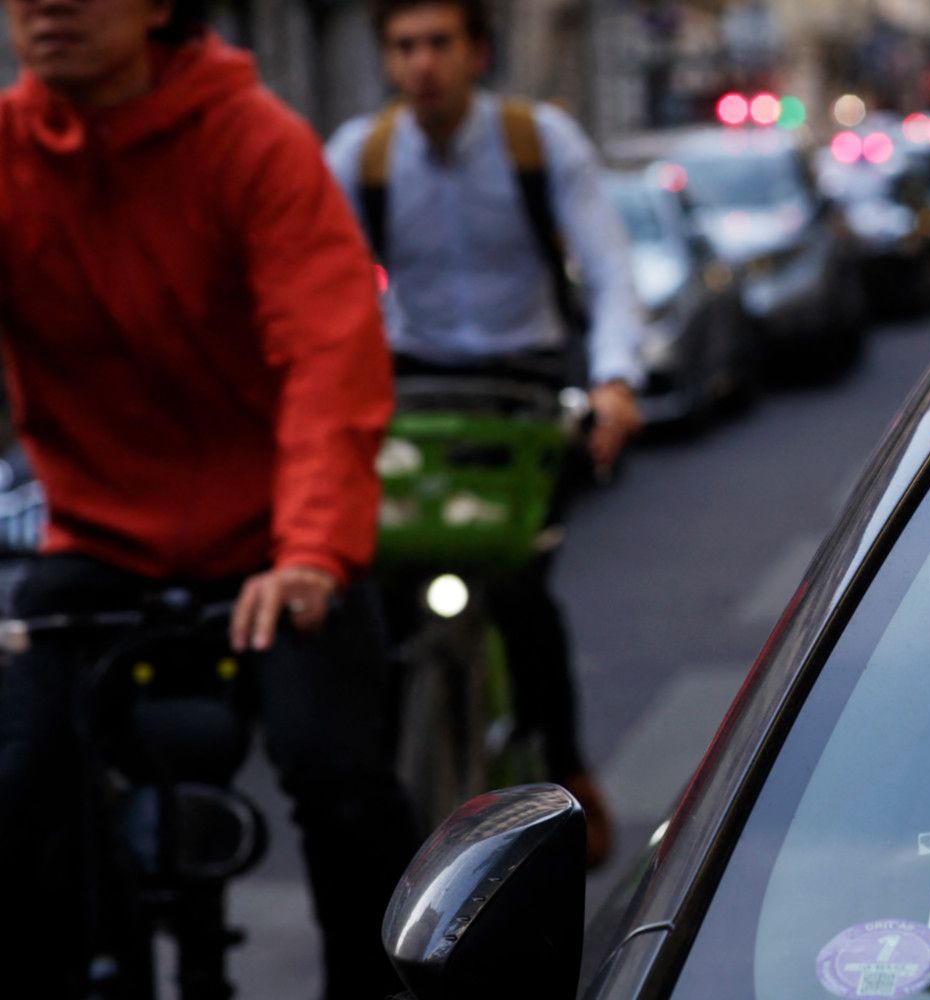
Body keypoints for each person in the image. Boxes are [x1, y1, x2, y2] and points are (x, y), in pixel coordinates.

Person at [0, 0, 418, 997]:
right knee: (15, 785)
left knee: (340, 778)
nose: (47, 4)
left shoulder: (255, 141)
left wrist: (311, 549)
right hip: (97, 534)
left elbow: (328, 353)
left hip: (274, 536)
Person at [325, 0, 646, 868]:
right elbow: (324, 293)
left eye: (438, 43)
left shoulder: (540, 141)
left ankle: (569, 771)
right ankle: (398, 807)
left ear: (477, 52)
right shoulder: (361, 155)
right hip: (414, 393)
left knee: (521, 588)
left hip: (525, 391)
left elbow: (610, 268)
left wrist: (614, 381)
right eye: (403, 46)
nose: (421, 62)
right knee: (388, 601)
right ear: (386, 59)